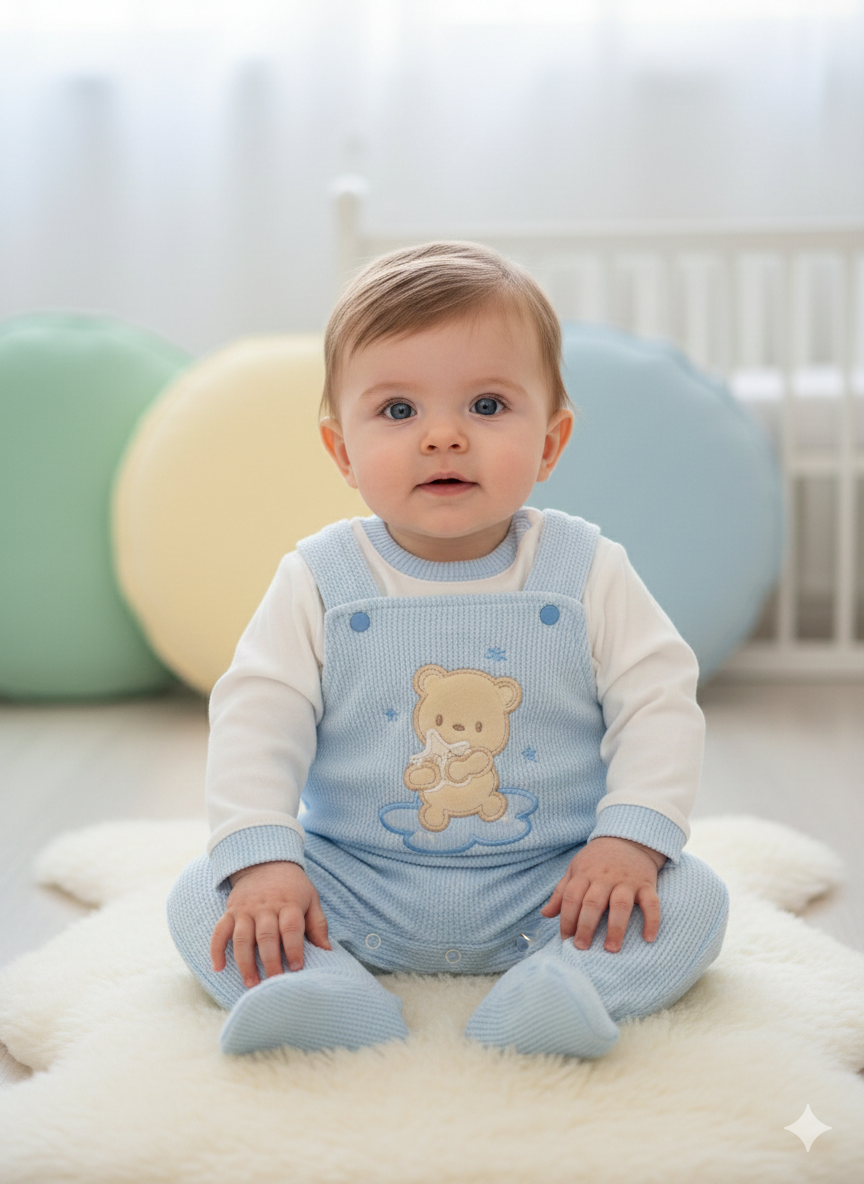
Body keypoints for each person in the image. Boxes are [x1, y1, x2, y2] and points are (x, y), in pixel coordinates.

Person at [167, 241, 729, 1058]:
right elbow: (258, 719)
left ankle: (564, 992)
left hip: (551, 885)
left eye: (488, 406)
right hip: (356, 883)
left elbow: (659, 704)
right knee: (201, 896)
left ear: (550, 441)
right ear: (341, 451)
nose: (442, 437)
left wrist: (627, 841)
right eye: (398, 411)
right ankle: (318, 990)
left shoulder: (587, 569)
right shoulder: (321, 578)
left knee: (694, 899)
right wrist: (263, 864)